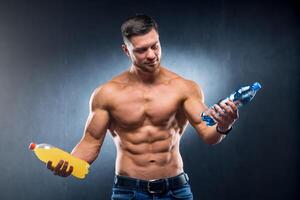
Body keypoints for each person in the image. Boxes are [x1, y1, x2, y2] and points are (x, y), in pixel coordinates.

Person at [47, 14, 238, 199]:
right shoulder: (107, 93)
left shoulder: (184, 88)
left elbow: (208, 133)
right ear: (126, 50)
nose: (151, 55)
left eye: (155, 46)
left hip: (175, 190)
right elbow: (90, 143)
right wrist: (69, 164)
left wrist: (223, 126)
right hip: (129, 191)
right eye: (141, 50)